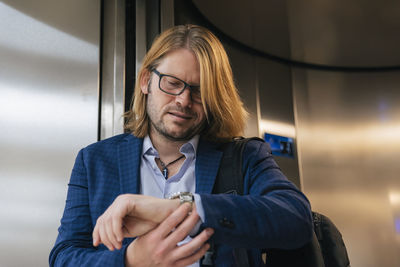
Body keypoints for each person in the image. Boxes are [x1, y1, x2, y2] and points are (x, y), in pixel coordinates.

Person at [49, 24, 313, 267]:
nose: (183, 100)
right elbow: (64, 256)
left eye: (199, 91)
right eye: (172, 83)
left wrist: (186, 207)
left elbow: (297, 218)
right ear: (145, 82)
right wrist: (132, 259)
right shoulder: (93, 160)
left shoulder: (244, 157)